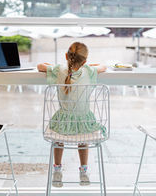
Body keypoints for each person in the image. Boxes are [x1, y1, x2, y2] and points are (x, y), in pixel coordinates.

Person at [37, 42, 107, 187]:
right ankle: (83, 171)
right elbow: (103, 66)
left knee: (58, 138)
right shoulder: (89, 71)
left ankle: (57, 168)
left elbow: (40, 66)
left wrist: (54, 65)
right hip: (84, 123)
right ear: (85, 61)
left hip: (62, 123)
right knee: (83, 138)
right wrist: (89, 65)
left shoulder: (59, 70)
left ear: (66, 56)